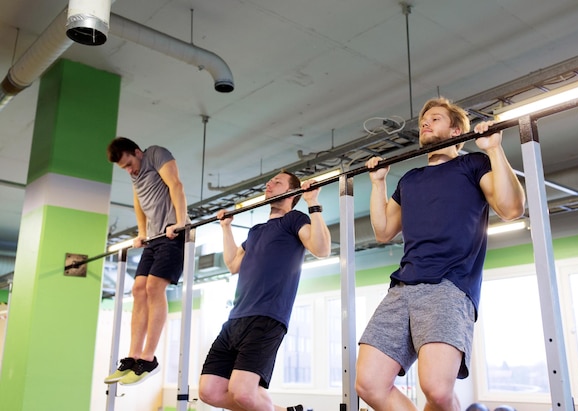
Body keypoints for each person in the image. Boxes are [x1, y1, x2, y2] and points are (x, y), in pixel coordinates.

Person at [355, 97, 526, 411]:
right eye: (423, 121)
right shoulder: (410, 179)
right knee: (368, 382)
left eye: (434, 119)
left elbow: (512, 208)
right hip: (402, 287)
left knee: (436, 388)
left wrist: (492, 149)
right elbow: (383, 231)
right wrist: (377, 184)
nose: (425, 123)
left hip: (448, 285)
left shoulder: (472, 165)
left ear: (456, 130)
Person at [198, 171, 331, 411]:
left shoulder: (294, 220)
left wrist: (313, 202)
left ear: (292, 192)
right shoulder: (256, 231)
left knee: (244, 393)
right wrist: (226, 228)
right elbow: (233, 265)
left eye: (277, 182)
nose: (269, 184)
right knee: (209, 391)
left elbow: (321, 248)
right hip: (235, 319)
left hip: (267, 316)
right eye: (269, 182)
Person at [104, 137, 190, 386]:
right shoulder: (135, 174)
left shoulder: (155, 155)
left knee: (154, 287)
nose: (129, 170)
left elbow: (176, 185)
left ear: (137, 152)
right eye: (124, 169)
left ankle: (148, 358)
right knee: (138, 289)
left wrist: (181, 221)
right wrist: (141, 232)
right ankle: (133, 356)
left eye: (129, 163)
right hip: (154, 238)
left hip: (174, 233)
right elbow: (139, 202)